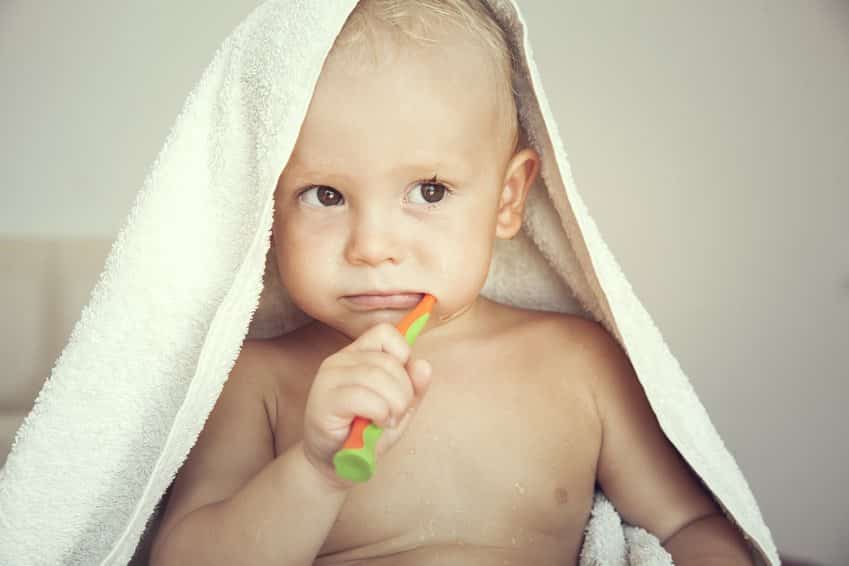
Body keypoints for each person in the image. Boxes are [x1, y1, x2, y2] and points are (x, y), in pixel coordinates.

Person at [149, 1, 754, 564]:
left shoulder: (578, 366)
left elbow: (687, 526)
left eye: (429, 191)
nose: (373, 247)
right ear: (268, 211)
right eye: (326, 195)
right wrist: (314, 471)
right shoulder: (258, 383)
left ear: (507, 198)